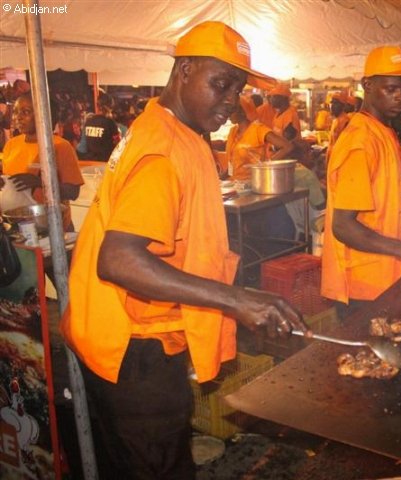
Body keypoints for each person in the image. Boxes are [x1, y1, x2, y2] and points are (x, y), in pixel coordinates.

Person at [60, 21, 307, 478]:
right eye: (220, 84)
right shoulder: (162, 149)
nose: (232, 101)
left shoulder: (177, 130)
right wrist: (237, 298)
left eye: (238, 89)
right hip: (132, 347)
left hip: (141, 334)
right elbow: (118, 259)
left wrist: (236, 307)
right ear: (184, 71)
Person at [321, 45, 401, 315]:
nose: (400, 97)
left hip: (392, 274)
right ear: (368, 85)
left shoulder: (384, 132)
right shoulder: (360, 141)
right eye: (391, 89)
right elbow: (342, 226)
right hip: (365, 284)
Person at [1, 93, 84, 231]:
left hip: (53, 227)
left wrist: (39, 182)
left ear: (43, 114)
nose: (18, 117)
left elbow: (73, 192)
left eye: (25, 112)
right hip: (18, 227)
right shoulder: (11, 145)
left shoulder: (60, 146)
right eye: (15, 112)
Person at [224, 95, 293, 180]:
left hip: (253, 183)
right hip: (235, 184)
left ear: (243, 112)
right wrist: (221, 177)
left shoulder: (258, 130)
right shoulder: (233, 131)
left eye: (232, 110)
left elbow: (287, 147)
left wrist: (266, 165)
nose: (229, 113)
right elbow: (232, 160)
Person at [83, 92, 120, 161]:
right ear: (110, 107)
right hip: (105, 161)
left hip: (90, 161)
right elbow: (118, 143)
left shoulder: (88, 121)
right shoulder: (110, 122)